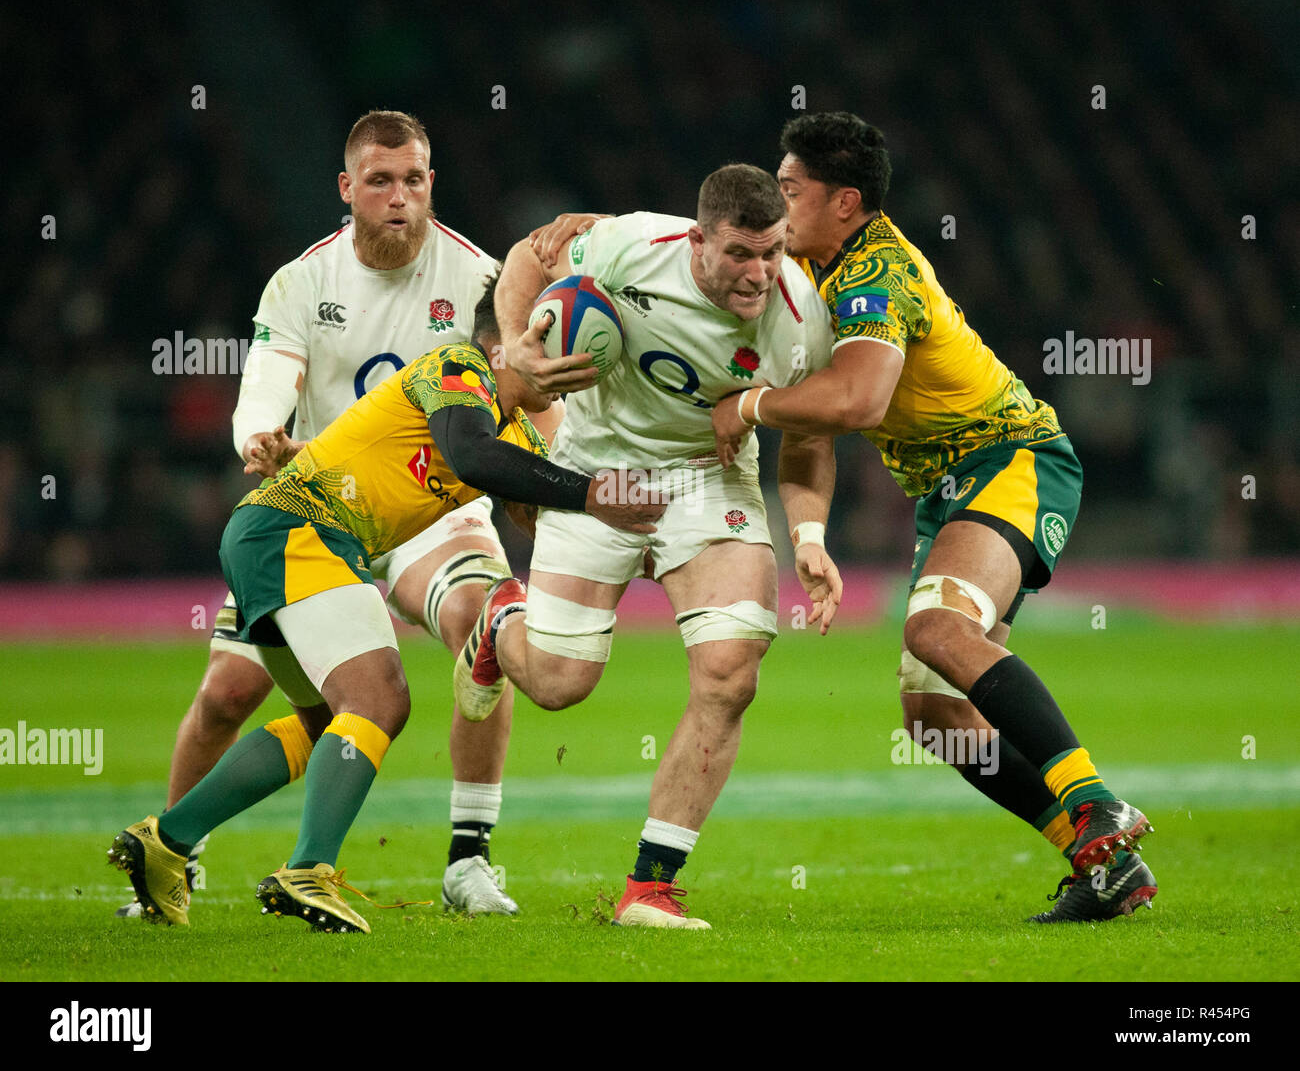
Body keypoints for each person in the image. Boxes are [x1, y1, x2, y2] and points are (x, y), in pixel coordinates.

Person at [706, 113, 1157, 922]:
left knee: (937, 630)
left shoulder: (875, 272)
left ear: (845, 202)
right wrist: (808, 536)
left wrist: (746, 403)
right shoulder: (807, 269)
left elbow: (857, 400)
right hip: (948, 490)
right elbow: (812, 421)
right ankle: (1107, 866)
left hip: (1012, 458)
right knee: (936, 714)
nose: (777, 200)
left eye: (791, 188)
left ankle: (1098, 802)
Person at [108, 276, 664, 931]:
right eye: (559, 349)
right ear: (510, 339)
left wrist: (643, 552)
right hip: (297, 529)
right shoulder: (459, 368)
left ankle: (167, 841)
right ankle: (308, 868)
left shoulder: (515, 436)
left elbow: (548, 516)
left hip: (277, 538)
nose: (571, 373)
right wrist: (594, 493)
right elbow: (469, 454)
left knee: (323, 722)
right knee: (381, 698)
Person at [118, 110, 548, 920]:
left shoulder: (481, 280)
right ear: (347, 188)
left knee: (483, 620)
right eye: (380, 181)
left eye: (413, 180)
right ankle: (177, 861)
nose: (399, 198)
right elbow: (268, 378)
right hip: (321, 512)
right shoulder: (301, 281)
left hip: (434, 508)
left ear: (431, 185)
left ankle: (469, 858)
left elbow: (528, 388)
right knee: (228, 692)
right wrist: (259, 436)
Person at [454, 164, 843, 930]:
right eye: (739, 253)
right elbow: (530, 258)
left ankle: (650, 888)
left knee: (732, 670)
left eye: (771, 252)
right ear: (698, 240)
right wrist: (514, 351)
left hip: (711, 483)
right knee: (561, 684)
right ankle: (503, 619)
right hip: (594, 471)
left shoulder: (804, 317)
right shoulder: (631, 246)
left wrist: (809, 534)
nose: (759, 273)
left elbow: (808, 434)